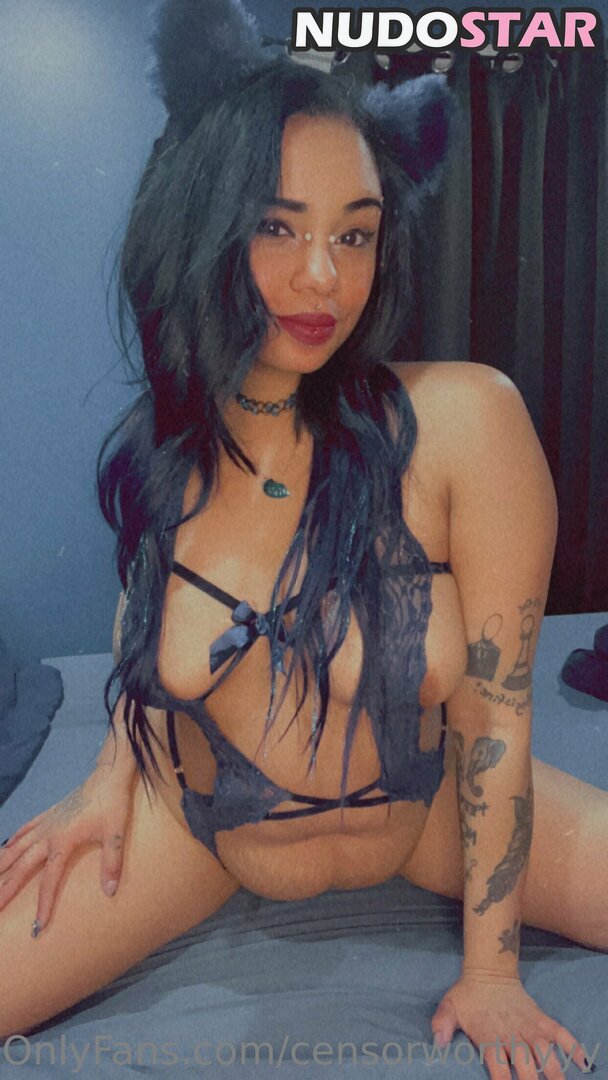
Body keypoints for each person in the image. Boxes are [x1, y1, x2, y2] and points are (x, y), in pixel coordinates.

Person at [0, 2, 606, 1073]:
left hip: (423, 810)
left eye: (353, 232)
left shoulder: (465, 423)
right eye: (277, 226)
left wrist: (492, 973)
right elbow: (147, 609)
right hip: (200, 825)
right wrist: (107, 776)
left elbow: (497, 716)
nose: (323, 275)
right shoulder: (164, 457)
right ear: (200, 225)